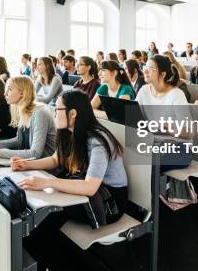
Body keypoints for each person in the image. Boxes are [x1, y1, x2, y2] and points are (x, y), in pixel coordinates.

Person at [16, 90, 127, 269]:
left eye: (57, 109)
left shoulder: (97, 140)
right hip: (86, 188)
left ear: (73, 113)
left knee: (37, 231)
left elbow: (90, 187)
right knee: (38, 226)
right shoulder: (68, 132)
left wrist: (46, 182)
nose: (54, 113)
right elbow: (56, 159)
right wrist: (27, 165)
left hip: (108, 201)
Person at [0, 76, 56, 159]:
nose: (5, 93)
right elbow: (19, 140)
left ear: (22, 93)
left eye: (9, 89)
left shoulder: (40, 113)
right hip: (27, 164)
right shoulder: (21, 110)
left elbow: (35, 153)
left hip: (44, 169)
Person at [135, 54, 191, 170]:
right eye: (145, 67)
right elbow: (134, 117)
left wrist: (164, 126)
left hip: (179, 147)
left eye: (150, 69)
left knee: (147, 163)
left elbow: (188, 133)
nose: (145, 71)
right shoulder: (144, 91)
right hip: (152, 142)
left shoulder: (177, 94)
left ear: (163, 74)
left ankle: (158, 187)